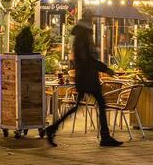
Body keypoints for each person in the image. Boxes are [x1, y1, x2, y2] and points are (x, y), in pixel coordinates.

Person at [45, 11, 122, 147]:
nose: (93, 23)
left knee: (77, 107)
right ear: (88, 21)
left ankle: (52, 128)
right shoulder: (83, 37)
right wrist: (105, 69)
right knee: (101, 105)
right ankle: (105, 136)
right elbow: (87, 59)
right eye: (92, 20)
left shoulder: (81, 36)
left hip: (84, 76)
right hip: (88, 78)